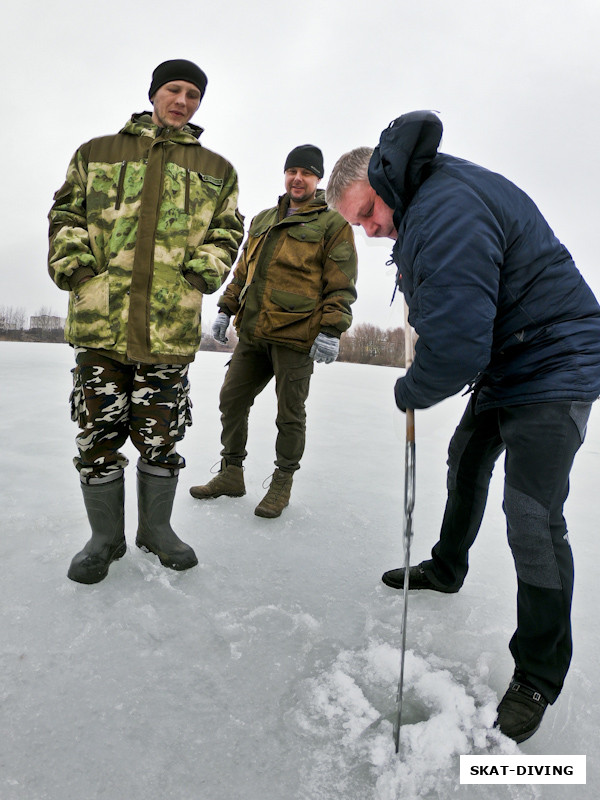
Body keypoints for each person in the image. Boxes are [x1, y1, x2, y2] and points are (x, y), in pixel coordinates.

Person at [326, 110, 600, 744]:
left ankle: (536, 674)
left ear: (384, 178)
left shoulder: (445, 209)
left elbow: (457, 346)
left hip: (555, 362)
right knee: (466, 459)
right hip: (512, 359)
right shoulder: (425, 201)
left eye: (367, 213)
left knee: (532, 516)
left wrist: (412, 388)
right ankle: (448, 567)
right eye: (358, 225)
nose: (368, 230)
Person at [48, 59, 245, 584]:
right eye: (174, 90)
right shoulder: (97, 153)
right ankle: (104, 539)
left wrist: (204, 271)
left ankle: (156, 531)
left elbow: (228, 232)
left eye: (194, 95)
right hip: (101, 325)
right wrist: (77, 267)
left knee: (161, 437)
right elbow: (65, 214)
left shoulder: (217, 168)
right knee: (97, 435)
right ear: (155, 93)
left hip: (167, 327)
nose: (183, 101)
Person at [189, 145, 358, 518]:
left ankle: (282, 483)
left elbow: (340, 284)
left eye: (307, 173)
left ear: (319, 180)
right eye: (292, 171)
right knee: (231, 400)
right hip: (253, 332)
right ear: (285, 175)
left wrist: (331, 330)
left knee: (290, 414)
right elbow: (242, 271)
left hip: (297, 337)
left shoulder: (333, 224)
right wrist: (224, 308)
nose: (298, 178)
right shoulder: (263, 219)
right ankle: (232, 473)